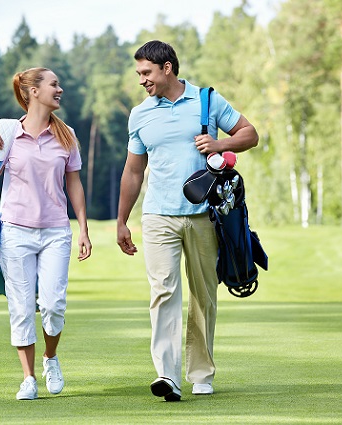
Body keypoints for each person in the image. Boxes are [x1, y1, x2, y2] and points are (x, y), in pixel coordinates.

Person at [116, 40, 259, 401]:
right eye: (139, 74)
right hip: (158, 215)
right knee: (163, 291)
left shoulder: (207, 100)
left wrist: (221, 146)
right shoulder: (140, 114)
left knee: (202, 295)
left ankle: (201, 374)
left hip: (204, 217)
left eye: (146, 73)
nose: (142, 81)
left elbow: (249, 134)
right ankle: (167, 375)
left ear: (167, 68)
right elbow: (134, 170)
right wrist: (122, 221)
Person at [0, 67, 92, 400]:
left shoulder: (67, 135)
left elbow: (73, 182)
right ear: (33, 91)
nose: (60, 89)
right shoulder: (7, 132)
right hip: (16, 231)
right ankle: (29, 378)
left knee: (53, 304)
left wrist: (84, 229)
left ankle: (50, 358)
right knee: (20, 306)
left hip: (56, 231)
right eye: (54, 84)